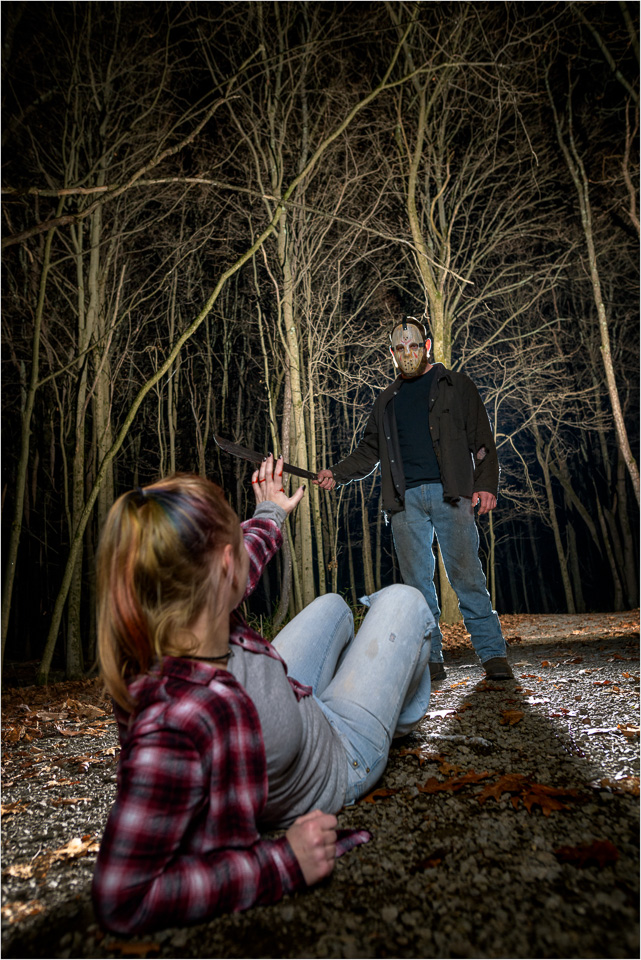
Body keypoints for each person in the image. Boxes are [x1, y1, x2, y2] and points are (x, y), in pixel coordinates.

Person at [92, 454, 434, 935]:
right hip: (341, 755)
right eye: (234, 537)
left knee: (333, 606)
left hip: (290, 706)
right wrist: (283, 862)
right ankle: (395, 718)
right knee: (406, 603)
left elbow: (245, 556)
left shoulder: (180, 612)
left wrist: (270, 512)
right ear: (223, 565)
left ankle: (364, 683)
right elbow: (123, 898)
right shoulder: (179, 722)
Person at [316, 316, 512, 683]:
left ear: (427, 346)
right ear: (392, 353)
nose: (407, 353)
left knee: (467, 576)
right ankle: (430, 659)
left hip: (451, 494)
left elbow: (482, 440)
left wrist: (486, 485)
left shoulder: (456, 385)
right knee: (418, 586)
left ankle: (492, 654)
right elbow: (368, 451)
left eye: (413, 346)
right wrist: (336, 473)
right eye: (400, 348)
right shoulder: (387, 401)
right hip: (404, 502)